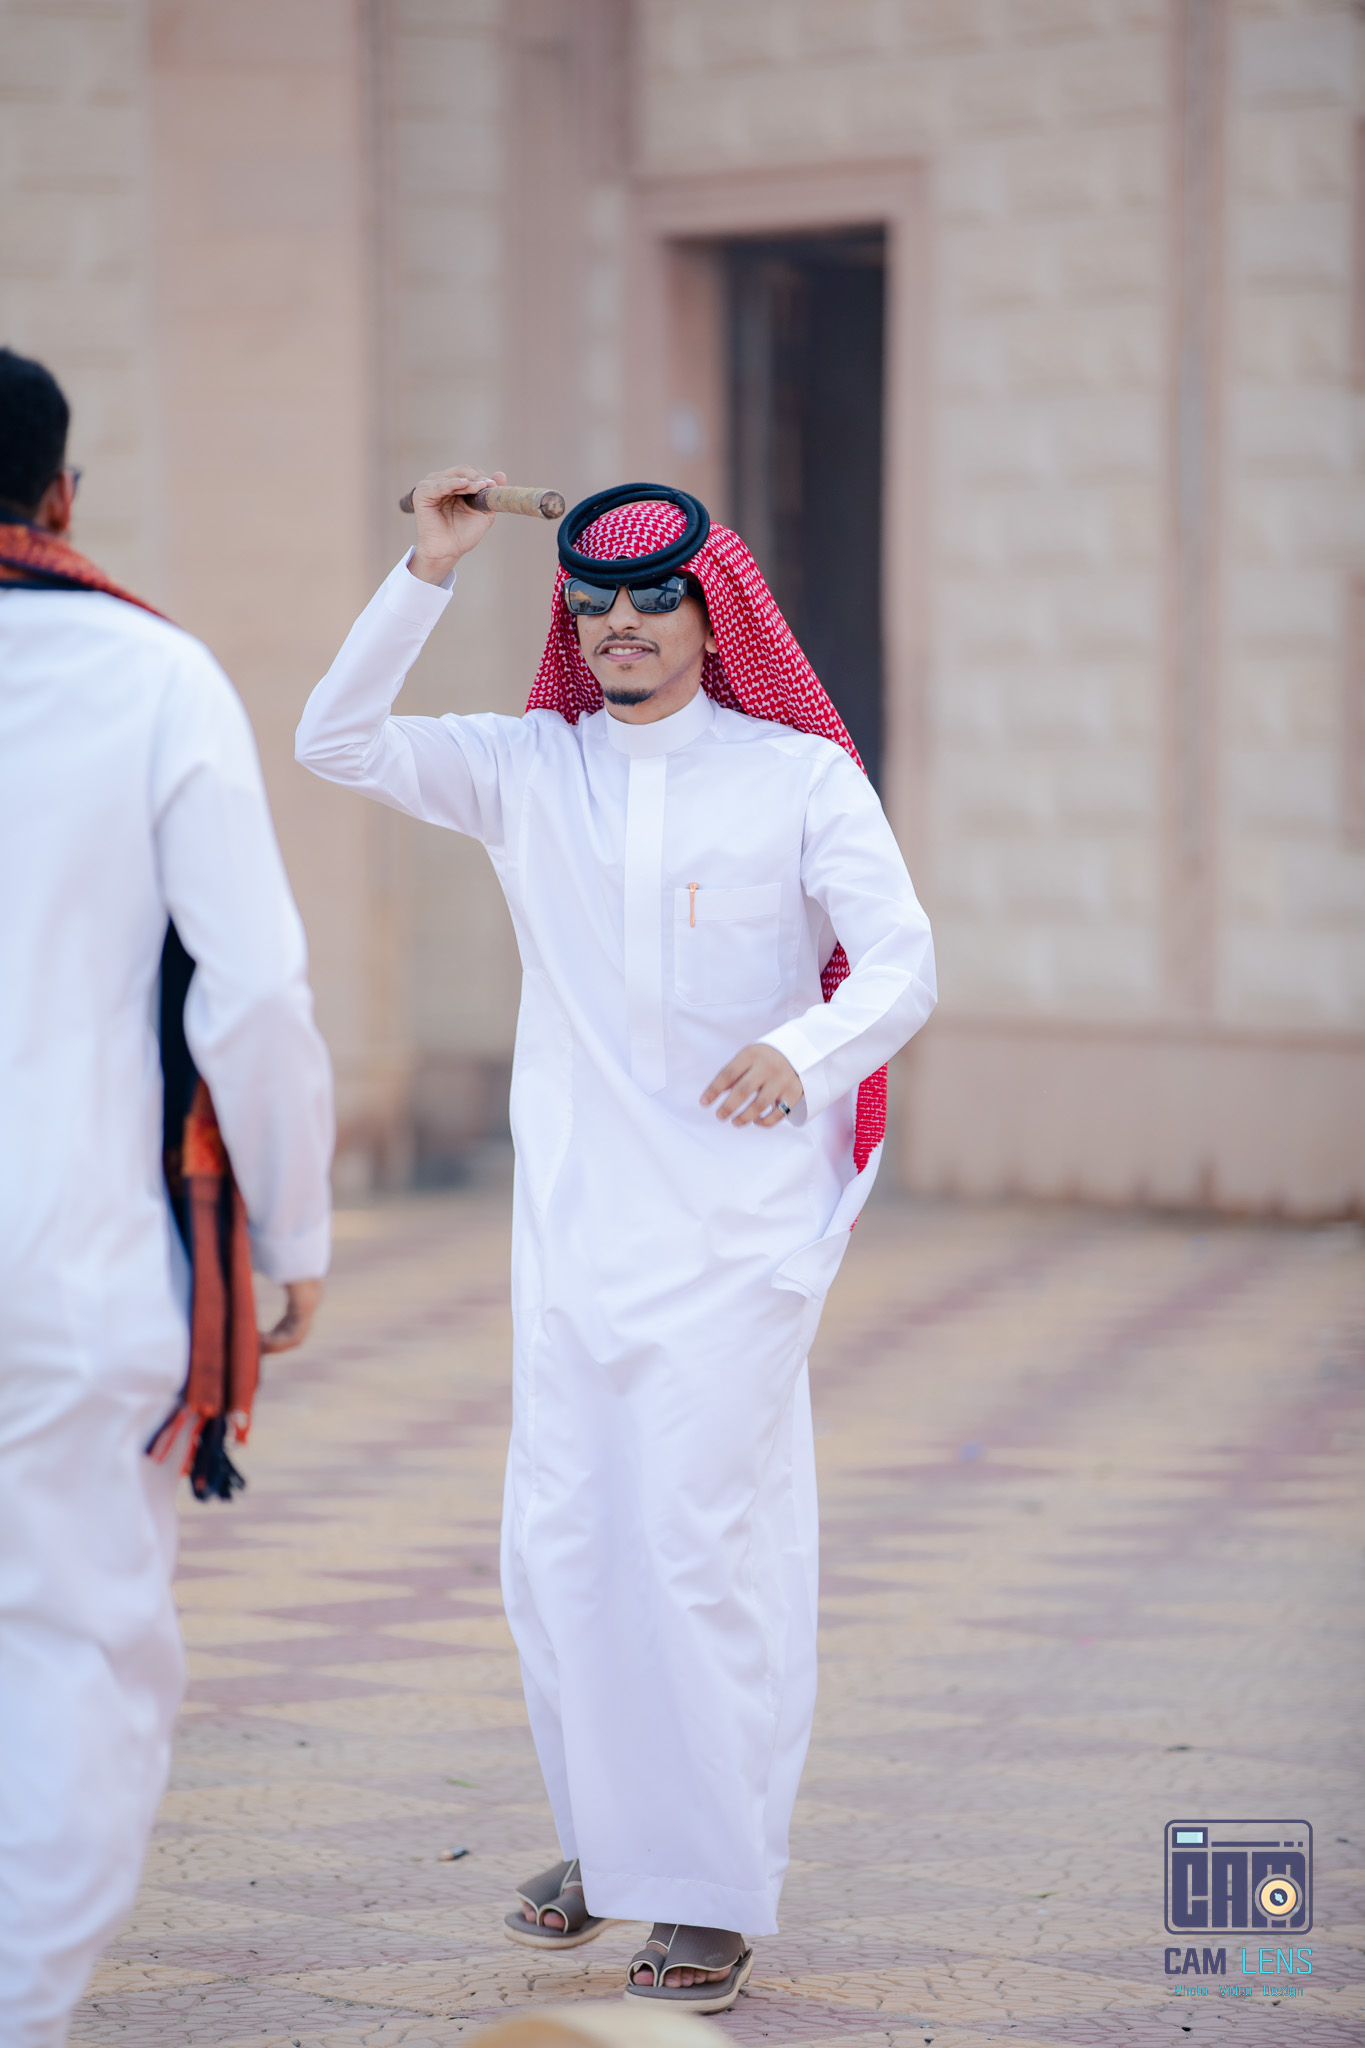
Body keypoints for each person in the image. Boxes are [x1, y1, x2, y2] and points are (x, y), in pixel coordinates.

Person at [296, 468, 936, 2012]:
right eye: (594, 603)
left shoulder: (795, 778)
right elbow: (335, 740)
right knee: (567, 1544)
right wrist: (431, 567)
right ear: (570, 621)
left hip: (739, 1235)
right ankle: (613, 1843)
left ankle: (707, 1894)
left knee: (699, 1548)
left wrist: (803, 1048)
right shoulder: (532, 768)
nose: (623, 624)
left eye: (655, 598)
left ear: (715, 617)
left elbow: (901, 962)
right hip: (578, 1231)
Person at [0, 347, 335, 2048]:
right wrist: (293, 1222)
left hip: (72, 1276)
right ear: (62, 495)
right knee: (73, 1655)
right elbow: (253, 992)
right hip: (68, 1272)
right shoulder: (153, 677)